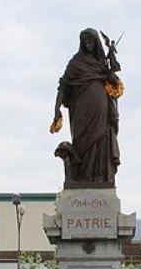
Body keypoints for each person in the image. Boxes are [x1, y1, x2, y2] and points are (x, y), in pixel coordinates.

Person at [52, 28, 121, 186]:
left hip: (101, 108)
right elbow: (63, 86)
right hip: (81, 109)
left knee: (100, 138)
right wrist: (56, 109)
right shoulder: (75, 63)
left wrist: (111, 77)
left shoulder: (102, 64)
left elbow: (114, 82)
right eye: (85, 42)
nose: (88, 45)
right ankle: (82, 175)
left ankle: (98, 177)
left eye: (91, 42)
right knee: (82, 141)